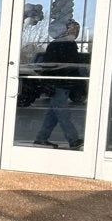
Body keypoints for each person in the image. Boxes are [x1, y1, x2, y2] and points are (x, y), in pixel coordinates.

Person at [33, 19, 83, 150]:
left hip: (61, 82)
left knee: (53, 114)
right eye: (73, 29)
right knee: (62, 112)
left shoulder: (63, 44)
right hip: (59, 83)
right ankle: (73, 139)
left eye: (76, 29)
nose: (75, 32)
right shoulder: (63, 44)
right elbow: (59, 65)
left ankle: (41, 138)